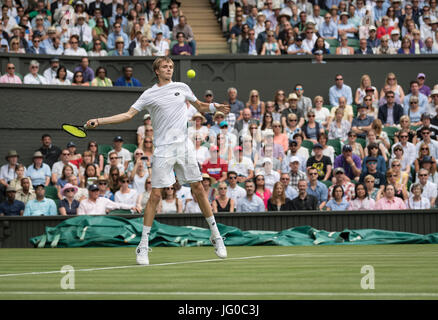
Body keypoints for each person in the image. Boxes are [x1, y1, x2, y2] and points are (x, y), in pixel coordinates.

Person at [85, 56, 229, 265]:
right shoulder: (149, 94)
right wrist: (99, 121)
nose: (169, 69)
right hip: (163, 149)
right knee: (155, 195)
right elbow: (127, 115)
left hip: (184, 146)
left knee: (198, 188)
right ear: (157, 71)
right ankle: (143, 245)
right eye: (165, 66)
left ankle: (216, 236)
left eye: (171, 66)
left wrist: (216, 107)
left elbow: (200, 106)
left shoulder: (182, 86)